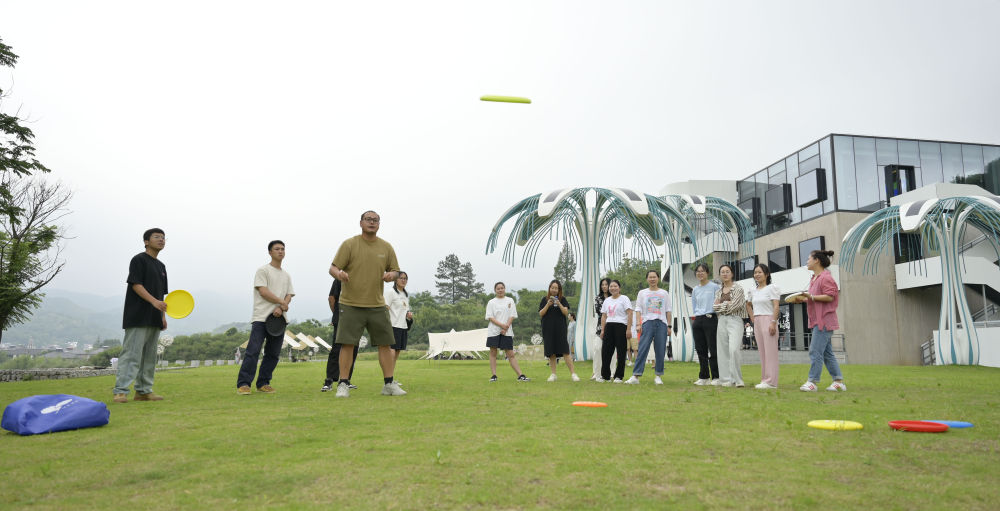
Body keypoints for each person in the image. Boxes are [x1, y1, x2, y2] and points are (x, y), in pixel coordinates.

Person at [328, 210, 405, 398]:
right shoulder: (350, 244)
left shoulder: (386, 247)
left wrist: (391, 275)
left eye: (375, 220)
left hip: (377, 304)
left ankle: (389, 384)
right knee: (347, 344)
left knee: (385, 344)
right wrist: (339, 274)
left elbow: (396, 270)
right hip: (350, 303)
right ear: (360, 223)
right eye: (368, 219)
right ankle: (343, 384)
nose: (372, 222)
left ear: (379, 224)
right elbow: (333, 267)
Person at [113, 228, 168, 403]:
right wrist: (154, 302)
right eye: (157, 237)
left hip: (154, 317)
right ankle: (121, 391)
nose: (161, 240)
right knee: (131, 355)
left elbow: (162, 295)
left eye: (163, 238)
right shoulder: (138, 260)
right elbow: (136, 285)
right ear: (146, 241)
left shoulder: (161, 266)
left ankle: (144, 391)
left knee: (149, 357)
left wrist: (163, 316)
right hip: (137, 316)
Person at [237, 240, 295, 395]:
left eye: (283, 249)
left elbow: (289, 294)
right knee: (253, 351)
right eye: (277, 249)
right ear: (270, 252)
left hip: (279, 319)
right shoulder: (263, 271)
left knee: (273, 353)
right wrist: (281, 302)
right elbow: (263, 291)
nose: (280, 251)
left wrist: (281, 307)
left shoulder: (286, 275)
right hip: (261, 318)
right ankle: (244, 384)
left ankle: (263, 382)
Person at [791, 250, 846, 392]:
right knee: (827, 353)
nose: (807, 261)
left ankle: (812, 382)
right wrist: (803, 299)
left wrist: (811, 297)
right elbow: (814, 297)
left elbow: (830, 297)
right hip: (817, 321)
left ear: (817, 261)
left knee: (815, 351)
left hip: (825, 321)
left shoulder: (826, 277)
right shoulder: (814, 278)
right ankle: (838, 381)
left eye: (809, 258)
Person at [626, 270, 672, 385]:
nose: (652, 279)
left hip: (661, 323)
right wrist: (638, 324)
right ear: (647, 279)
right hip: (647, 323)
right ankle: (636, 376)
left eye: (654, 277)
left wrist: (669, 326)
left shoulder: (664, 293)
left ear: (658, 278)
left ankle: (658, 376)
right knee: (642, 349)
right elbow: (638, 309)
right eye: (650, 277)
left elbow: (668, 310)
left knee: (660, 350)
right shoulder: (642, 293)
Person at [485, 282, 529, 382]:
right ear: (495, 290)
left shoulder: (510, 300)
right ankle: (494, 375)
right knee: (493, 353)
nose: (500, 290)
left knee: (510, 354)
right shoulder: (491, 302)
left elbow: (512, 315)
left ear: (504, 289)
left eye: (502, 288)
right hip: (494, 331)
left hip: (507, 331)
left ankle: (520, 375)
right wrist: (501, 326)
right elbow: (490, 317)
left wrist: (506, 327)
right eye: (498, 289)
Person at [747, 264, 781, 390]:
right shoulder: (752, 290)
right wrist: (753, 318)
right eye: (755, 272)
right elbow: (748, 305)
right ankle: (764, 379)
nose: (757, 274)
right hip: (758, 321)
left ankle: (771, 382)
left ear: (766, 274)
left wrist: (773, 321)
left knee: (770, 352)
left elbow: (776, 306)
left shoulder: (772, 288)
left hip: (768, 319)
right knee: (762, 352)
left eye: (760, 272)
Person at [539, 279, 580, 382]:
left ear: (559, 290)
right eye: (552, 287)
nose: (554, 290)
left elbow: (566, 312)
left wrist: (559, 303)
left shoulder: (563, 299)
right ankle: (553, 374)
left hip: (560, 329)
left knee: (565, 351)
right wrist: (548, 304)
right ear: (549, 288)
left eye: (556, 288)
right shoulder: (544, 300)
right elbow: (541, 313)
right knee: (551, 352)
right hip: (548, 329)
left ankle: (573, 374)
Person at [321, 277, 358, 392]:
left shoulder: (359, 278)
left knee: (353, 349)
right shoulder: (339, 279)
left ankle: (346, 380)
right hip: (341, 317)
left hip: (356, 319)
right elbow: (331, 298)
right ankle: (329, 381)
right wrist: (336, 314)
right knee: (337, 348)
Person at [713, 264, 747, 388]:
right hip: (721, 320)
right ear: (720, 275)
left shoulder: (738, 289)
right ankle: (726, 379)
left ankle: (738, 379)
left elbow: (735, 306)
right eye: (722, 272)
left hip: (735, 320)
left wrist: (721, 306)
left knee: (734, 349)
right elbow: (714, 308)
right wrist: (725, 305)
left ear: (732, 274)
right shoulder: (718, 291)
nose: (725, 274)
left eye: (727, 271)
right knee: (722, 351)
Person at [599, 280, 632, 383]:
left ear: (619, 288)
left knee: (621, 352)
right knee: (606, 352)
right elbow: (604, 316)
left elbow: (630, 313)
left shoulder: (624, 299)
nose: (613, 288)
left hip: (621, 326)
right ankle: (605, 376)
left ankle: (619, 376)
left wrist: (628, 329)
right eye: (611, 286)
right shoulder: (607, 300)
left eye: (615, 286)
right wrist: (603, 330)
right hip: (609, 326)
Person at [385, 271, 414, 382]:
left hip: (402, 327)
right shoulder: (390, 292)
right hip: (392, 326)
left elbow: (404, 311)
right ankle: (388, 379)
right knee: (391, 354)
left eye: (405, 278)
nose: (403, 280)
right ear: (395, 280)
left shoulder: (405, 295)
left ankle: (391, 378)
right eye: (401, 278)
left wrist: (409, 317)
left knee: (396, 355)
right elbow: (385, 309)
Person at [591, 278, 611, 380]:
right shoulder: (598, 298)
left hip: (613, 326)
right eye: (602, 284)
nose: (604, 286)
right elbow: (599, 312)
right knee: (597, 348)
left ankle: (611, 372)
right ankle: (596, 372)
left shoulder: (615, 297)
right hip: (601, 326)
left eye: (606, 284)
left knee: (612, 351)